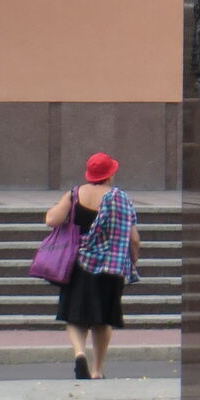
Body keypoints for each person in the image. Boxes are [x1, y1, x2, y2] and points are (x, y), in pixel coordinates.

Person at [45, 152, 141, 379]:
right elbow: (134, 238)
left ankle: (80, 354)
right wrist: (133, 259)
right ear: (110, 175)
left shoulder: (75, 194)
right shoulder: (121, 199)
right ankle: (97, 370)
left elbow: (51, 220)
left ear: (89, 174)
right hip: (111, 266)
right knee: (103, 319)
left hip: (78, 264)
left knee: (74, 316)